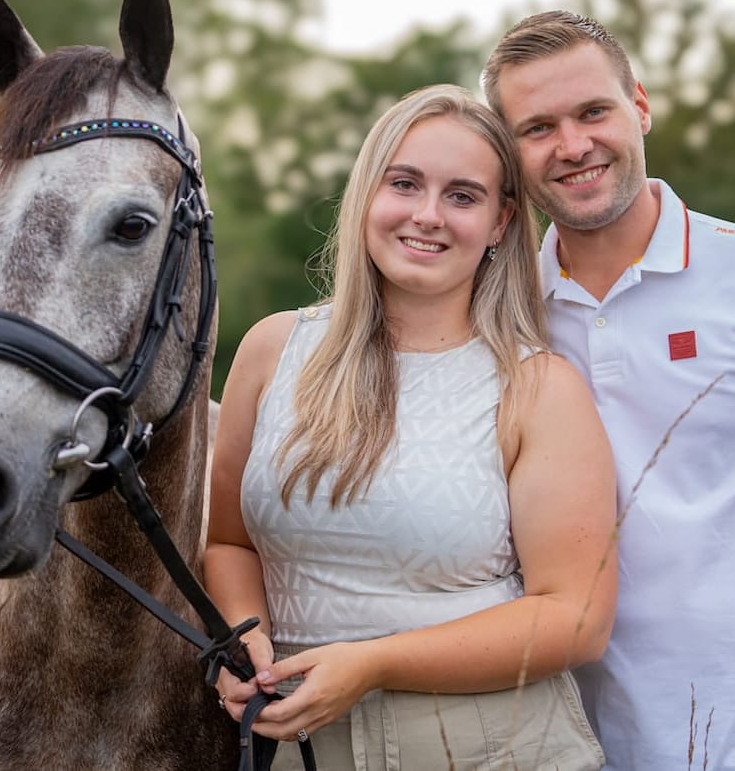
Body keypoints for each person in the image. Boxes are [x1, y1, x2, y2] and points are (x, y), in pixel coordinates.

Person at [203, 83, 617, 770]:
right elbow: (227, 541)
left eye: (461, 195)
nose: (427, 215)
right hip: (300, 742)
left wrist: (372, 663)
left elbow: (576, 616)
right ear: (367, 193)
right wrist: (240, 638)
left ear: (499, 222)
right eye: (404, 184)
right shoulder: (272, 350)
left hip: (490, 745)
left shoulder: (537, 387)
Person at [482, 11, 735, 770]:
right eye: (537, 127)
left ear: (641, 106)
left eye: (593, 111)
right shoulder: (491, 313)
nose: (573, 146)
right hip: (550, 739)